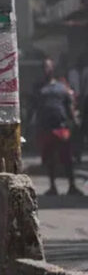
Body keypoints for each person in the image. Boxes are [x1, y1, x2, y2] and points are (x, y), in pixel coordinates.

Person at [34, 58, 84, 196]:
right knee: (49, 159)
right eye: (44, 67)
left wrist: (74, 120)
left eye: (48, 67)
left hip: (61, 127)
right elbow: (36, 108)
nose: (46, 70)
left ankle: (72, 186)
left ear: (53, 69)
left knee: (67, 158)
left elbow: (69, 106)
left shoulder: (62, 87)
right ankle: (52, 187)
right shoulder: (39, 88)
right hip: (46, 128)